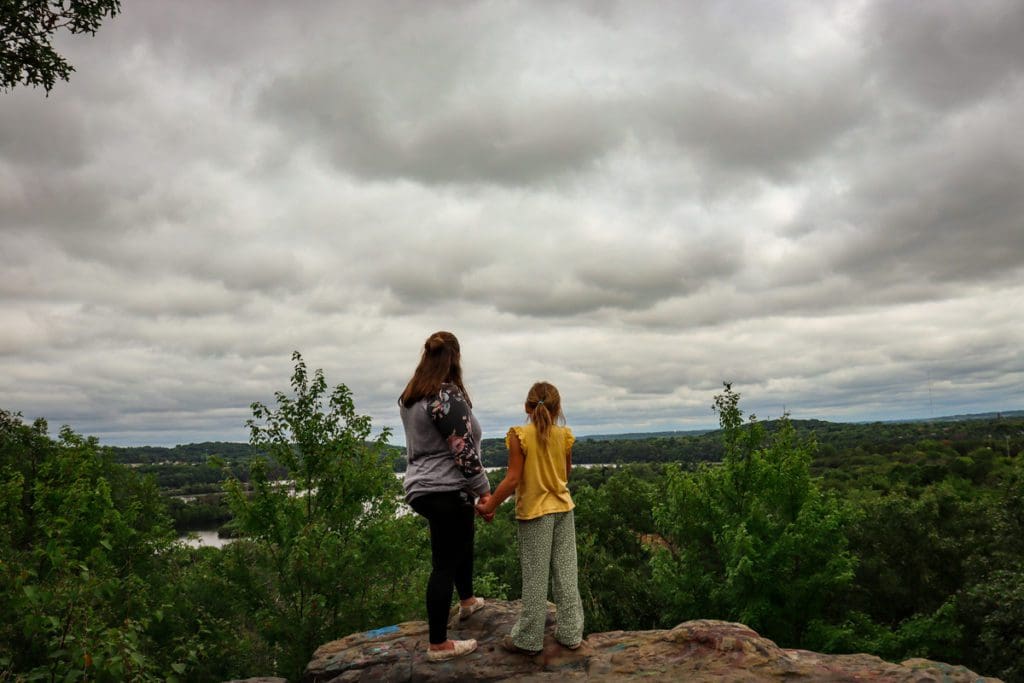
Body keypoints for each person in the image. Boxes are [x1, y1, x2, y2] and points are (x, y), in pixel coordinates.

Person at [399, 331, 492, 662]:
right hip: (444, 487)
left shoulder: (412, 396)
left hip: (423, 488)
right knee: (444, 563)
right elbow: (462, 450)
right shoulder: (444, 396)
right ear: (454, 358)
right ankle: (438, 644)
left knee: (459, 541)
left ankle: (467, 601)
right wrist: (484, 492)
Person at [476, 381, 584, 655]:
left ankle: (528, 639)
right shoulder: (565, 436)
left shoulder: (519, 435)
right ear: (558, 409)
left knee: (535, 578)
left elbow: (513, 478)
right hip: (563, 509)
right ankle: (571, 634)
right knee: (566, 574)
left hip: (535, 513)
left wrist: (490, 505)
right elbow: (565, 475)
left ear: (527, 406)